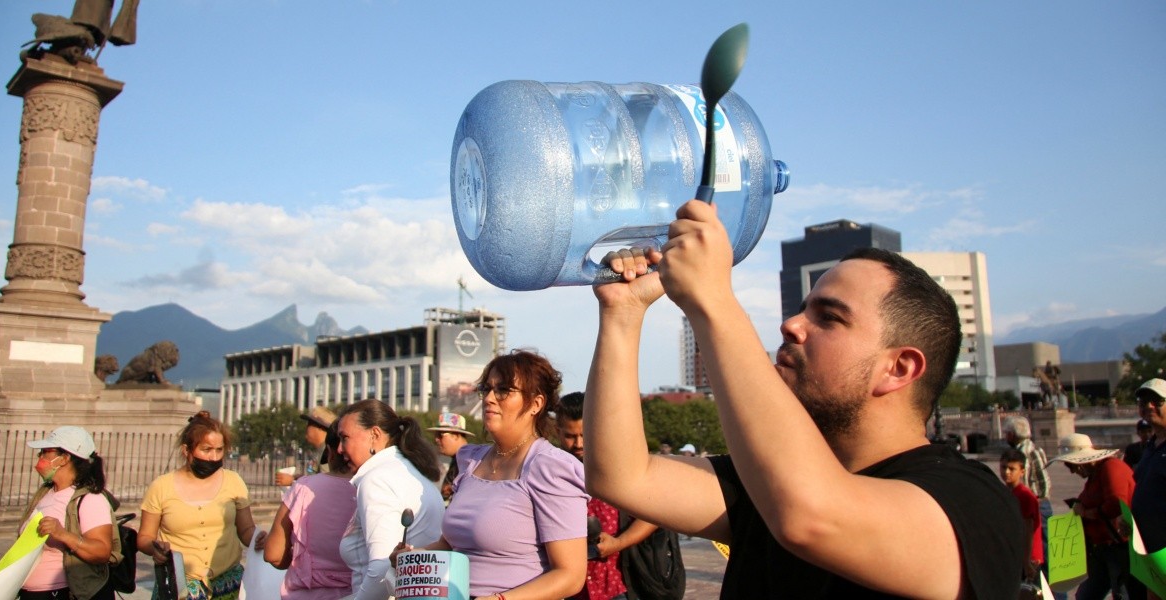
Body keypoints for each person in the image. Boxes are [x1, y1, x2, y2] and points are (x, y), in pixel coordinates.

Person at [586, 204, 1023, 598]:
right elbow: (621, 477)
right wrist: (623, 313)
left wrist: (713, 301)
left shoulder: (972, 503)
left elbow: (811, 517)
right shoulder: (766, 484)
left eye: (829, 318)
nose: (791, 324)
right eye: (802, 309)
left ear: (899, 369)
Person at [400, 350, 588, 600]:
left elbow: (570, 576)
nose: (489, 398)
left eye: (503, 390)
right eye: (486, 388)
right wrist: (412, 557)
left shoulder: (551, 467)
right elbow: (452, 545)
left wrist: (501, 599)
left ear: (536, 404)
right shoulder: (471, 460)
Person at [556, 391, 665, 600]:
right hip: (570, 588)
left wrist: (619, 542)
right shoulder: (549, 468)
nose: (578, 444)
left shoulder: (619, 465)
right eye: (570, 436)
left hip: (618, 585)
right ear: (557, 429)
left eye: (584, 434)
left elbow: (654, 514)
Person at [137, 411, 255, 600]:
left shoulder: (234, 481)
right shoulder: (161, 486)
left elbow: (246, 529)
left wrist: (261, 538)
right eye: (206, 449)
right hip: (180, 588)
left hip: (228, 585)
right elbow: (144, 536)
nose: (213, 457)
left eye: (219, 450)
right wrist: (155, 549)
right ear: (186, 450)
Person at [338, 399, 444, 600]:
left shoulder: (376, 480)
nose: (339, 449)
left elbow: (381, 567)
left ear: (374, 435)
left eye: (345, 438)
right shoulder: (407, 470)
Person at [5, 426, 117, 600]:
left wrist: (62, 534)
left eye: (45, 452)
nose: (39, 457)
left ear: (64, 458)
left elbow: (102, 551)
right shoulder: (45, 494)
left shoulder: (90, 499)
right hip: (31, 593)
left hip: (61, 593)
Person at [260, 415, 357, 599]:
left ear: (330, 451)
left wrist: (299, 562)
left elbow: (273, 553)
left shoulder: (303, 487)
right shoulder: (371, 491)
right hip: (356, 592)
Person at [1051, 433, 1137, 600]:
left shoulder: (1111, 467)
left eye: (1071, 465)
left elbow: (1116, 503)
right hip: (1102, 551)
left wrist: (1086, 512)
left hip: (1119, 549)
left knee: (1121, 594)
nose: (1071, 471)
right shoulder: (1096, 474)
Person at [1002, 415, 1053, 574]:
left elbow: (1031, 482)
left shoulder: (1021, 453)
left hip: (1033, 503)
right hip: (1040, 502)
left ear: (1012, 434)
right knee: (1046, 550)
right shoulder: (1036, 448)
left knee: (1039, 550)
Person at [1132, 379, 1166, 600]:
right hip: (1149, 553)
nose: (1149, 406)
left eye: (1157, 401)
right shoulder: (1150, 447)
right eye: (1144, 401)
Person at [999, 449, 1043, 583]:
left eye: (1012, 469)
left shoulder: (1024, 495)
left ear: (1022, 471)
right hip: (1015, 555)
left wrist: (1026, 562)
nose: (1006, 472)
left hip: (1028, 558)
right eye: (1003, 467)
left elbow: (1028, 530)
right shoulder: (1006, 492)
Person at [276, 406, 338, 487]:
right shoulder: (321, 451)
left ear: (319, 427)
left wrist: (293, 482)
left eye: (309, 424)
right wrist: (300, 478)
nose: (306, 428)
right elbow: (317, 477)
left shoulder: (327, 453)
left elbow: (324, 485)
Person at [427, 412, 475, 502]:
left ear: (456, 436)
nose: (436, 440)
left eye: (440, 435)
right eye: (436, 435)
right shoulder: (459, 460)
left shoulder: (470, 462)